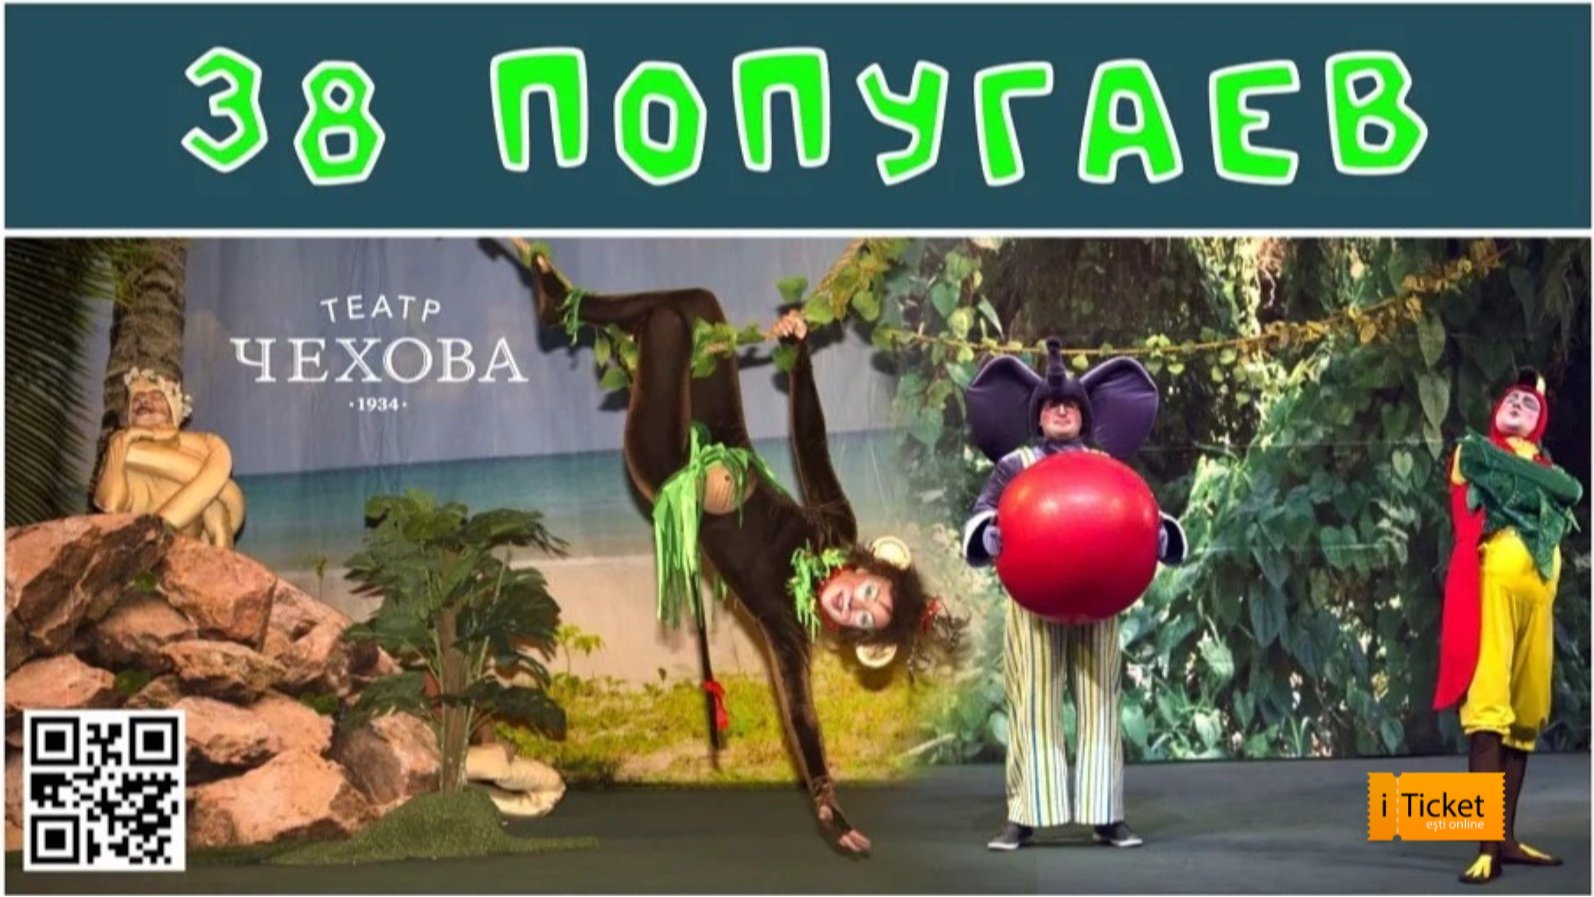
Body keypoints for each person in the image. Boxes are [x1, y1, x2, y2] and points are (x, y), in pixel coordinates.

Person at [524, 251, 947, 856]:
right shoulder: (836, 529)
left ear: (849, 632)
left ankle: (568, 308)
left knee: (666, 325)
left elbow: (800, 711)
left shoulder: (787, 624)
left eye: (861, 618)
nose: (853, 603)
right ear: (869, 569)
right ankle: (584, 316)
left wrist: (824, 795)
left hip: (669, 468)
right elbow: (810, 445)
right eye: (869, 594)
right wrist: (799, 359)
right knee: (701, 308)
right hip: (725, 437)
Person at [960, 339, 1185, 851]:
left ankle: (1106, 813)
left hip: (1099, 598)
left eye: (1069, 406)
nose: (1061, 411)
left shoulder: (1106, 465)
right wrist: (987, 534)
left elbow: (1138, 508)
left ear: (1083, 417)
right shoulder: (1015, 465)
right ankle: (1025, 813)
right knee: (1032, 699)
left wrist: (1159, 535)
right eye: (1051, 406)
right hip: (1034, 599)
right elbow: (982, 513)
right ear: (1038, 417)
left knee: (1101, 697)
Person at [1434, 368, 1583, 884]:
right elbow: (1554, 487)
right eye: (1512, 401)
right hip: (1490, 594)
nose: (1519, 405)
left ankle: (1506, 838)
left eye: (1530, 404)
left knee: (1523, 717)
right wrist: (1544, 483)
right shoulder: (1474, 451)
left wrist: (1538, 480)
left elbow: (1572, 489)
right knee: (1488, 713)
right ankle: (1485, 848)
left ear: (1541, 423)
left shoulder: (1543, 466)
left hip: (1536, 602)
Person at [93, 366, 245, 548]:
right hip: (134, 553)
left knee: (214, 503)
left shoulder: (203, 455)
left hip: (186, 558)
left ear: (173, 410)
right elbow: (111, 505)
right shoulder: (122, 452)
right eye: (137, 399)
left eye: (156, 397)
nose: (145, 402)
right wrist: (123, 442)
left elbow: (219, 529)